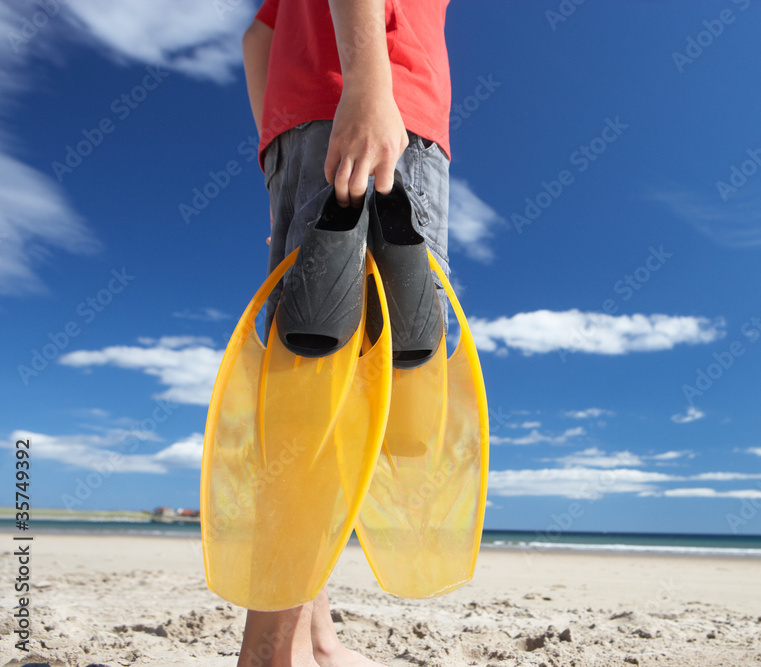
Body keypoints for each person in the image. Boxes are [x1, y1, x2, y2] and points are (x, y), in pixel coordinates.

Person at [238, 1, 452, 665]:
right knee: (332, 397)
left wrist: (283, 153)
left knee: (316, 383)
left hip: (312, 121)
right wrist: (367, 82)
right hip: (384, 110)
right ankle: (271, 652)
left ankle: (314, 636)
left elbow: (259, 37)